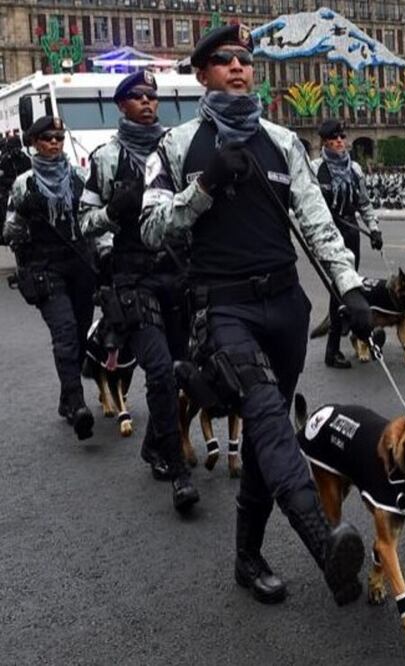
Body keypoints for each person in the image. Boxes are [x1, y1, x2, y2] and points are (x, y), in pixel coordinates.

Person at [140, 25, 370, 605]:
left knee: (267, 437)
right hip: (224, 307)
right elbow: (151, 228)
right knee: (268, 417)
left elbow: (317, 223)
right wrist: (205, 187)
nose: (239, 66)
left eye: (245, 58)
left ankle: (247, 555)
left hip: (285, 306)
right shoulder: (176, 146)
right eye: (225, 59)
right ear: (202, 74)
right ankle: (323, 543)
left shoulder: (283, 142)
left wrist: (350, 290)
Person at [79, 70, 199, 511]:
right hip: (134, 280)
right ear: (121, 105)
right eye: (138, 96)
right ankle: (178, 471)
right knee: (160, 371)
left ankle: (155, 444)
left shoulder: (176, 149)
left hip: (178, 274)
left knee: (184, 371)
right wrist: (112, 213)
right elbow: (84, 223)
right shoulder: (106, 158)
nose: (148, 102)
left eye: (153, 96)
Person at [3, 117, 96, 440]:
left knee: (81, 334)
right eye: (47, 138)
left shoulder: (79, 178)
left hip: (80, 265)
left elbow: (93, 219)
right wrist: (24, 213)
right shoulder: (24, 184)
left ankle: (66, 397)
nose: (54, 142)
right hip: (46, 268)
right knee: (65, 332)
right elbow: (9, 232)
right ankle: (78, 404)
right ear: (34, 143)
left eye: (58, 137)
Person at [309, 119, 383, 369]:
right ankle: (335, 347)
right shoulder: (315, 169)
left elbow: (364, 203)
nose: (340, 141)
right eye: (334, 138)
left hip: (351, 233)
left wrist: (374, 229)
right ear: (324, 142)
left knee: (349, 285)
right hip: (328, 234)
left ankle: (352, 333)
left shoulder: (355, 169)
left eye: (342, 137)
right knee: (339, 290)